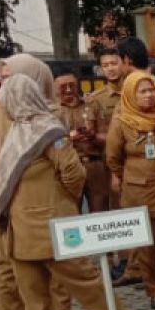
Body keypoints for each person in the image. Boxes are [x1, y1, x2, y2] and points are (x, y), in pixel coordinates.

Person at [0, 74, 139, 310]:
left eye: (5, 96)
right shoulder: (14, 131)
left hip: (52, 224)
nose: (1, 102)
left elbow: (74, 174)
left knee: (82, 279)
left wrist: (62, 205)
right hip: (19, 227)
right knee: (30, 288)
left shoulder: (50, 132)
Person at [0, 54, 79, 310]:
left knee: (60, 257)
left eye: (10, 77)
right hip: (11, 198)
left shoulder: (54, 112)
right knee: (9, 263)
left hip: (51, 198)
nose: (4, 84)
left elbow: (69, 164)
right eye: (2, 78)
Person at [107, 71, 155, 310]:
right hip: (141, 189)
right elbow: (113, 157)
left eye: (151, 90)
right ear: (131, 94)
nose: (149, 95)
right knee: (148, 244)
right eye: (143, 91)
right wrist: (128, 175)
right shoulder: (122, 121)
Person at [55, 71, 109, 213]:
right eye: (63, 86)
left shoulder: (92, 104)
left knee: (100, 212)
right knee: (71, 213)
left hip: (94, 165)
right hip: (68, 168)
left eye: (72, 85)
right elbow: (51, 146)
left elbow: (107, 137)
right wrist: (69, 138)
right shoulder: (52, 111)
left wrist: (93, 136)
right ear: (54, 87)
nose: (68, 90)